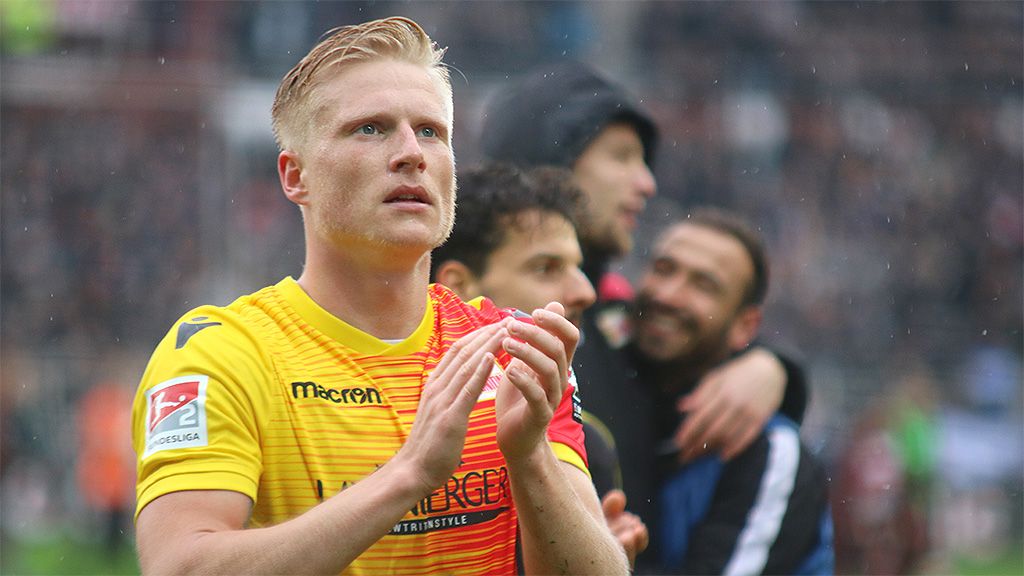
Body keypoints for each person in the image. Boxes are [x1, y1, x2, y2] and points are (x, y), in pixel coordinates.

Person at [130, 17, 628, 575]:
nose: (412, 153)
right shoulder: (221, 354)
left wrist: (529, 457)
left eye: (431, 131)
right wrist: (409, 475)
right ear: (295, 177)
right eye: (370, 129)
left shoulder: (511, 348)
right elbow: (179, 567)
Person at [481, 60, 808, 566]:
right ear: (551, 160)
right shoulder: (439, 317)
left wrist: (775, 369)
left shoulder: (612, 317)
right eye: (622, 157)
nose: (648, 183)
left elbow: (684, 352)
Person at [430, 161, 648, 566]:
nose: (584, 292)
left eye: (578, 266)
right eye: (546, 268)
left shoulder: (586, 438)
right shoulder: (373, 408)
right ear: (458, 286)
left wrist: (599, 555)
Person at [630, 208, 833, 574]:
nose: (668, 295)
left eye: (703, 285)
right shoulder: (605, 376)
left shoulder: (771, 452)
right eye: (663, 269)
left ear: (745, 326)